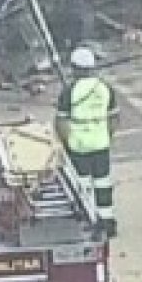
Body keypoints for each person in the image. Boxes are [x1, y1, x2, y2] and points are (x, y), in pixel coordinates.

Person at [55, 46, 119, 237]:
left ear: (74, 68)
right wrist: (106, 136)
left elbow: (61, 122)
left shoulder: (69, 91)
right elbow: (114, 119)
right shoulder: (105, 88)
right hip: (101, 143)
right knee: (103, 183)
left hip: (78, 145)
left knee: (82, 186)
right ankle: (108, 221)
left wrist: (65, 143)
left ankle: (88, 221)